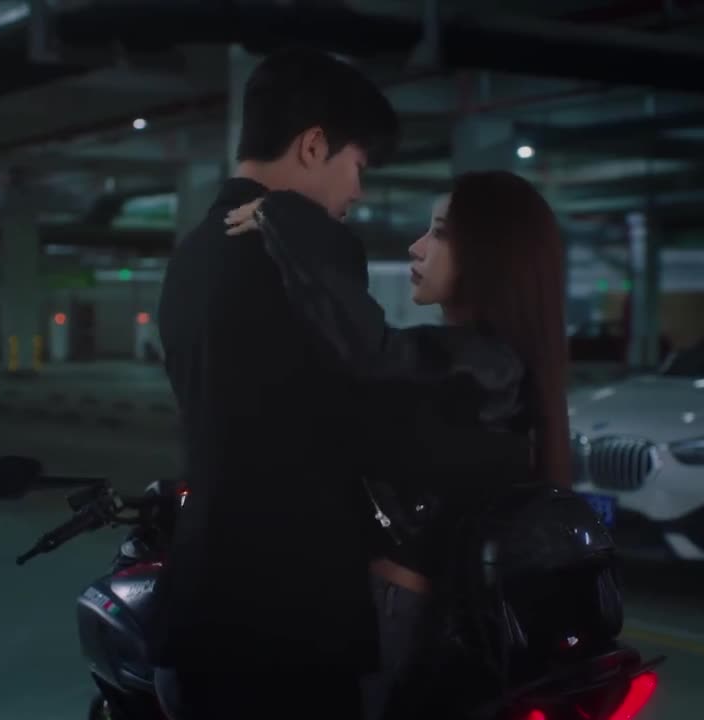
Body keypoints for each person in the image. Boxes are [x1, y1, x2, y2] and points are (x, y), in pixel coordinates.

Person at [150, 48, 523, 720]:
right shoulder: (308, 246)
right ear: (314, 145)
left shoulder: (192, 254)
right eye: (358, 166)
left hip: (199, 601)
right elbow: (371, 391)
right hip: (292, 620)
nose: (358, 191)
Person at [224, 170, 572, 719]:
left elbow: (369, 352)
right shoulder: (496, 366)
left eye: (440, 232)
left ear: (491, 255)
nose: (417, 246)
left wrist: (286, 219)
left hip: (397, 613)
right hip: (426, 613)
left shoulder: (484, 364)